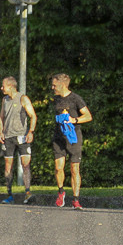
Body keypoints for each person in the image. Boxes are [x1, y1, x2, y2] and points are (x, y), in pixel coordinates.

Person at [50, 73, 92, 209]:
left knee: (74, 168)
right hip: (58, 137)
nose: (52, 87)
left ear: (62, 85)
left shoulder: (76, 99)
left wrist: (74, 120)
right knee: (58, 167)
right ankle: (61, 192)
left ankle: (76, 200)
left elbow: (88, 116)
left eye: (54, 85)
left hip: (73, 137)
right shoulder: (55, 99)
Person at [0, 76, 37, 204]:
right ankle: (9, 195)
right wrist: (0, 132)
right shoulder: (5, 100)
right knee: (8, 166)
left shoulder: (23, 99)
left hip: (22, 137)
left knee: (26, 164)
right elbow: (1, 117)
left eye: (3, 86)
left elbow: (33, 116)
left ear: (11, 86)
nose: (1, 88)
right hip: (8, 138)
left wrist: (30, 131)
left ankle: (27, 192)